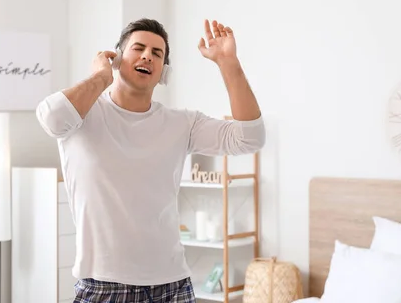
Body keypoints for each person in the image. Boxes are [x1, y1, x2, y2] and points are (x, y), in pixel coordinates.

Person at [36, 18, 265, 303]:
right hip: (104, 286)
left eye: (157, 53)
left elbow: (250, 138)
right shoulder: (82, 115)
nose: (147, 56)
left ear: (163, 72)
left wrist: (228, 63)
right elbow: (51, 118)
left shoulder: (181, 123)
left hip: (172, 286)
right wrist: (101, 78)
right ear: (116, 58)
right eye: (138, 48)